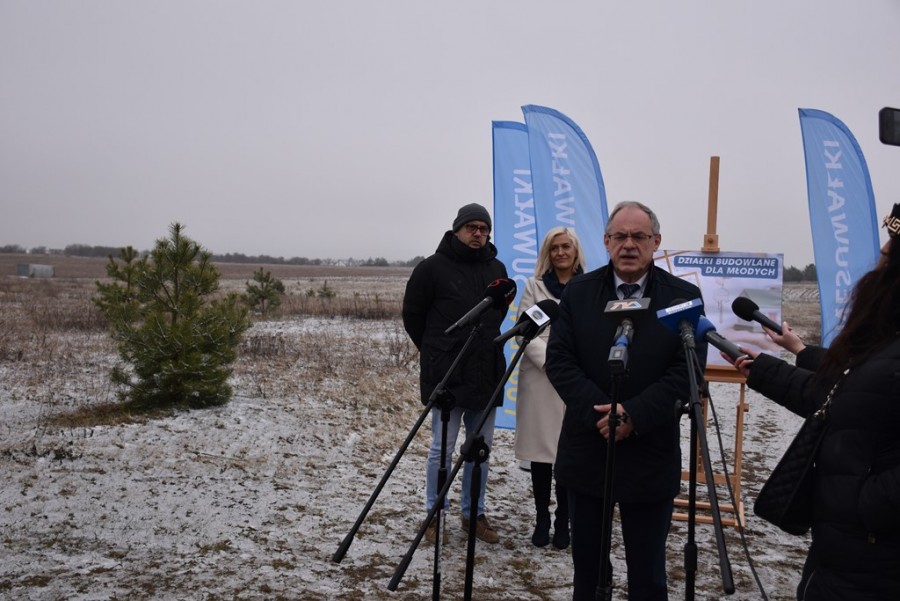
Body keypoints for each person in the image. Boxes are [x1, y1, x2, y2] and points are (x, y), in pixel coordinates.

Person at [725, 204, 900, 601]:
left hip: (874, 559)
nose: (879, 267)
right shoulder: (886, 340)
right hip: (842, 554)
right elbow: (847, 392)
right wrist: (781, 360)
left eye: (890, 259)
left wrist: (863, 505)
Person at [546, 201, 705, 601]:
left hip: (650, 452)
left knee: (648, 575)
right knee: (588, 573)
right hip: (588, 448)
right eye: (620, 236)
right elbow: (560, 362)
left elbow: (686, 372)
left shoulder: (683, 298)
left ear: (656, 241)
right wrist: (603, 414)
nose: (629, 245)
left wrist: (633, 414)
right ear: (606, 241)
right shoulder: (579, 293)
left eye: (639, 236)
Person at [402, 203, 510, 545]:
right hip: (448, 373)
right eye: (471, 228)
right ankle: (434, 514)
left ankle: (473, 514)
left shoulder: (497, 268)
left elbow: (498, 314)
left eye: (484, 229)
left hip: (486, 372)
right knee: (442, 450)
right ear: (457, 230)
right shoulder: (431, 268)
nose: (478, 234)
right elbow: (413, 315)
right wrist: (437, 351)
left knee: (480, 450)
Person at [514, 227, 586, 550]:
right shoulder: (535, 286)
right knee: (542, 455)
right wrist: (552, 362)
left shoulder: (588, 287)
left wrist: (572, 367)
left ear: (575, 251)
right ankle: (542, 517)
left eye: (565, 246)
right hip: (541, 379)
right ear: (547, 253)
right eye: (554, 248)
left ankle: (563, 521)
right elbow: (524, 331)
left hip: (576, 380)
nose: (560, 253)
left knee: (568, 455)